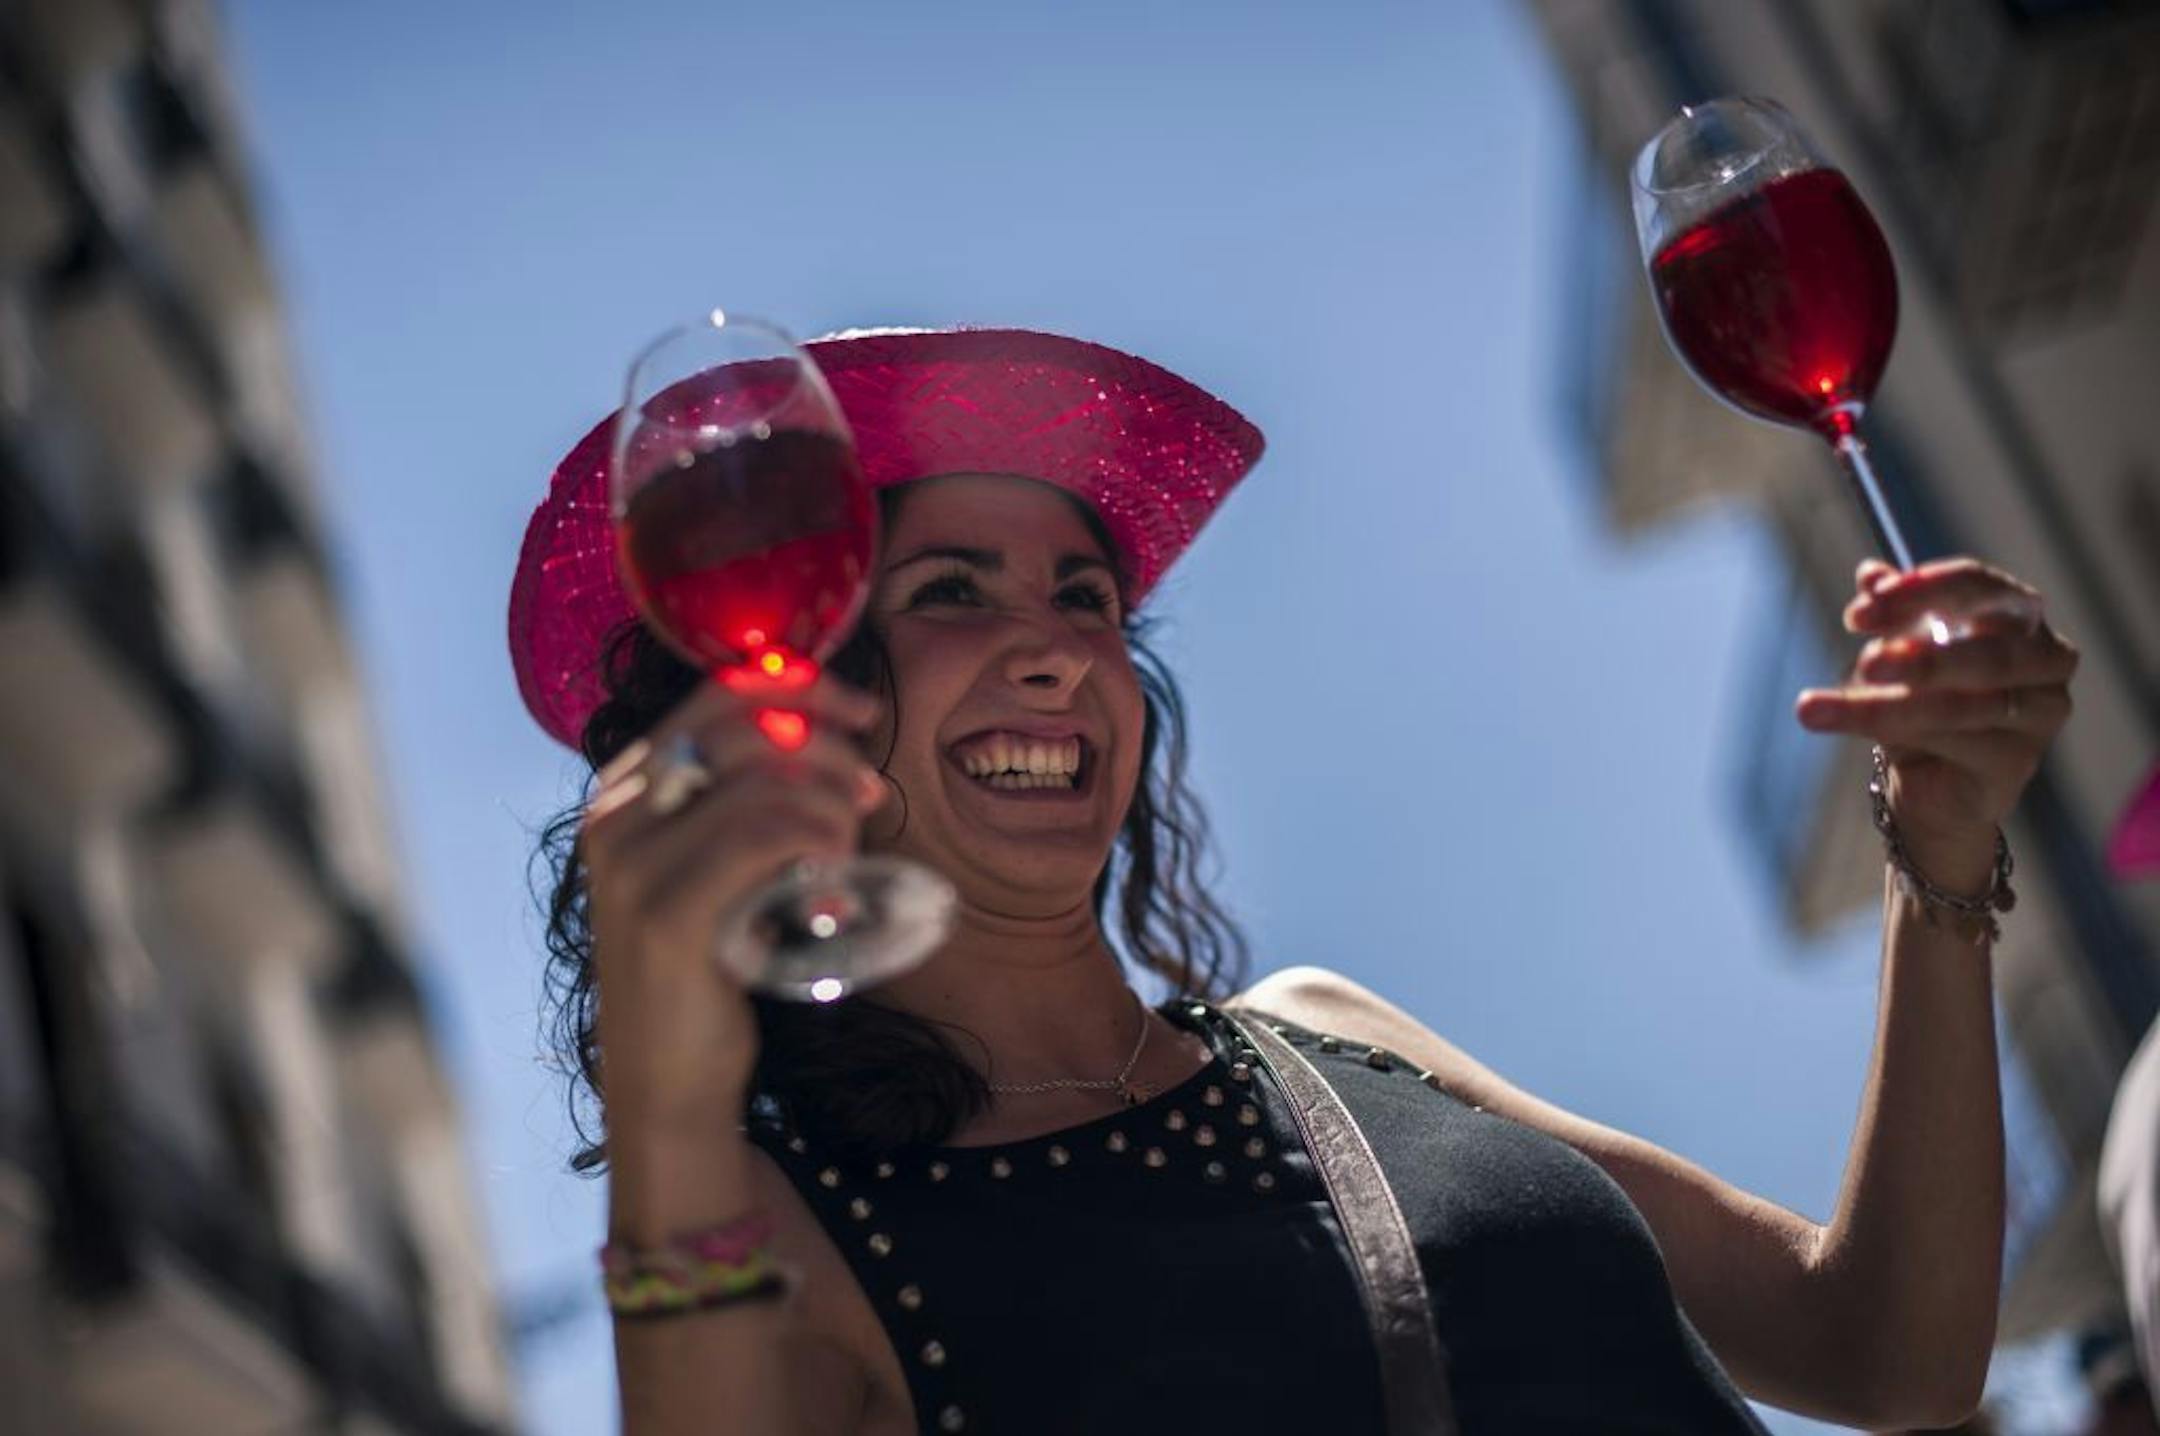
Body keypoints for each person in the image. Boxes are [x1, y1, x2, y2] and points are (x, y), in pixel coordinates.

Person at [513, 327, 2081, 1434]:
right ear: (804, 697)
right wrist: (669, 1095)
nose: (1058, 646)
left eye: (1086, 596)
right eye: (951, 593)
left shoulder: (1323, 1026)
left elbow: (1890, 1357)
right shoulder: (784, 1241)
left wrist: (1934, 863)